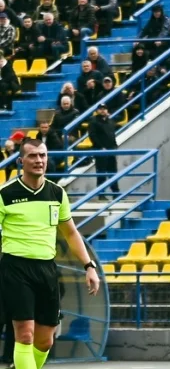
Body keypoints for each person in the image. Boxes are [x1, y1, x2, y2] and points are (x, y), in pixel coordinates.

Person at [0, 139, 101, 369]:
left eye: (43, 156)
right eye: (33, 156)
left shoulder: (57, 193)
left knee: (45, 341)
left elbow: (71, 233)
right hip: (16, 269)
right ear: (20, 161)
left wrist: (89, 266)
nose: (39, 160)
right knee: (25, 335)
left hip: (47, 270)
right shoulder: (5, 194)